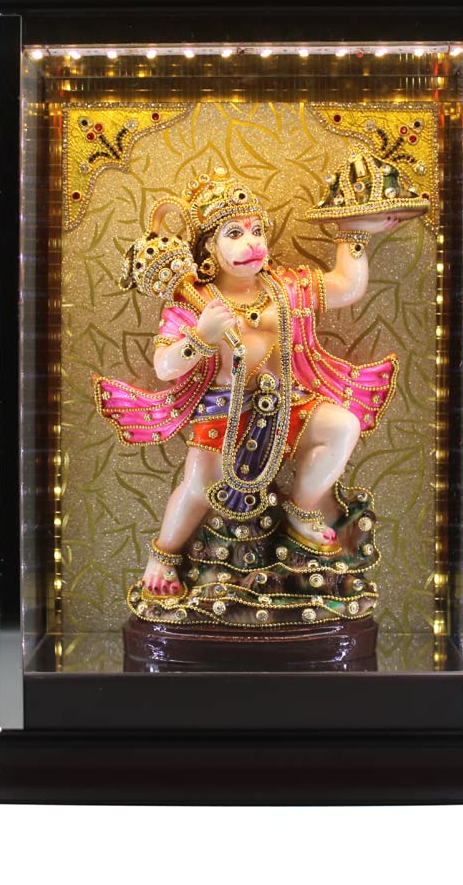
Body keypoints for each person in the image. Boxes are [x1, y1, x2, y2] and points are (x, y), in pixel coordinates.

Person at [93, 167, 413, 628]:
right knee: (200, 487)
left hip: (289, 403)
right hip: (225, 410)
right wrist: (201, 337)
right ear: (209, 249)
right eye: (235, 234)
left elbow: (347, 286)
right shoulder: (192, 302)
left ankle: (303, 507)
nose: (253, 243)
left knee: (342, 425)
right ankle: (162, 556)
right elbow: (165, 366)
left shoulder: (284, 288)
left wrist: (355, 232)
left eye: (257, 230)